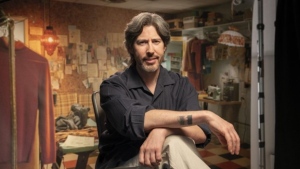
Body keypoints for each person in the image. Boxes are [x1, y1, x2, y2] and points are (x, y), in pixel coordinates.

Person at [96, 12, 240, 169]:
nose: (150, 50)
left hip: (161, 162)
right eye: (142, 42)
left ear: (164, 46)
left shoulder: (181, 84)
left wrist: (163, 131)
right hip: (122, 163)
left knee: (174, 142)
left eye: (156, 41)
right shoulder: (112, 87)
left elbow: (200, 134)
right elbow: (136, 120)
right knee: (174, 143)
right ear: (131, 48)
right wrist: (206, 115)